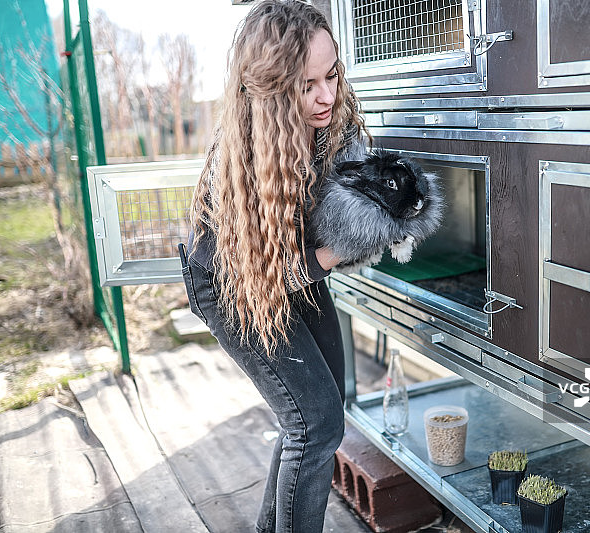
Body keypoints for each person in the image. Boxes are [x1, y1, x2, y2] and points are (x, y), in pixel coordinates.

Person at [178, 1, 368, 532]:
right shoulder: (241, 163)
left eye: (332, 75)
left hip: (291, 264)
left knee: (319, 411)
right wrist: (344, 246)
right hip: (234, 279)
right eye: (307, 85)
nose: (327, 95)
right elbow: (274, 275)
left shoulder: (326, 121)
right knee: (315, 424)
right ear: (272, 90)